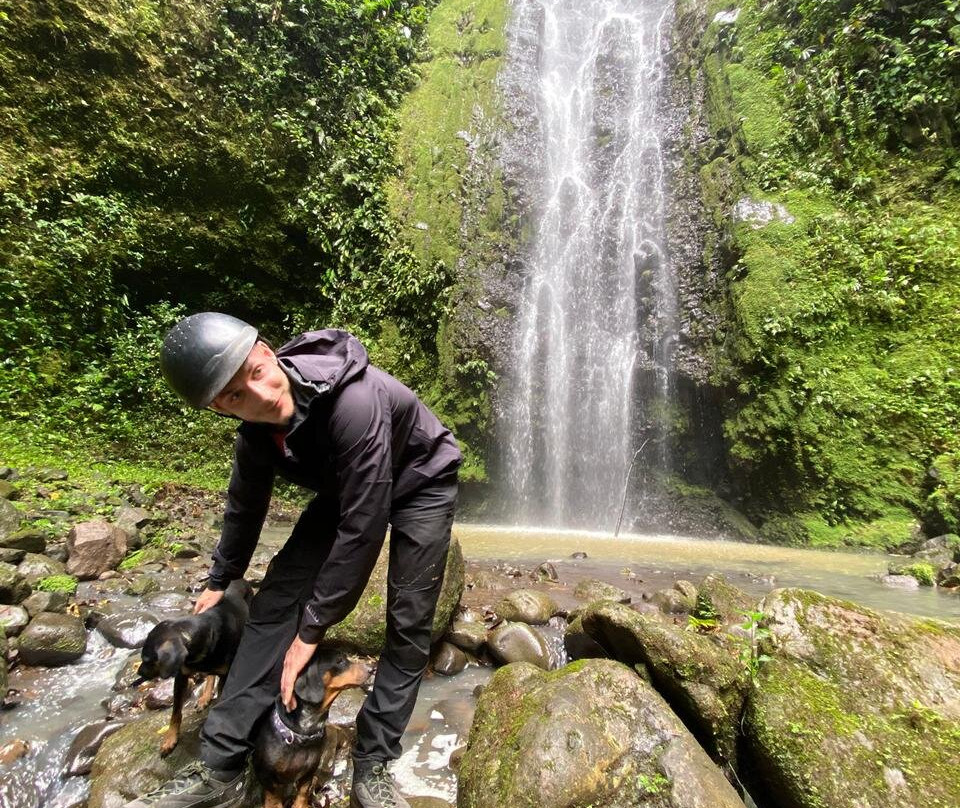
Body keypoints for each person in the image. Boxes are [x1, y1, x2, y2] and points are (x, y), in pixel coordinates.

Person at [130, 312, 461, 808]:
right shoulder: (254, 435)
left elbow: (363, 528)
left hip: (421, 480)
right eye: (236, 396)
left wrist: (313, 629)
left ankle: (372, 763)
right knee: (275, 601)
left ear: (266, 351)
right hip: (343, 485)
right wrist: (222, 577)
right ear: (221, 407)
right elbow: (245, 506)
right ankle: (220, 764)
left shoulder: (354, 400)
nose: (259, 396)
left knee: (409, 622)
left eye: (256, 374)